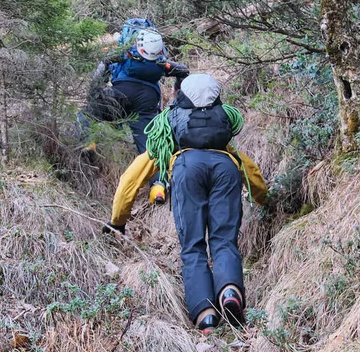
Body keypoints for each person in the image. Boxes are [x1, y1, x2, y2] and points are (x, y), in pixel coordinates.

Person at [103, 74, 269, 331]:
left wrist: (118, 220)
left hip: (186, 169)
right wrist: (264, 198)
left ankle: (205, 314)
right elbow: (248, 168)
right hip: (225, 169)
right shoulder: (221, 122)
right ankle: (229, 291)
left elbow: (134, 175)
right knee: (224, 241)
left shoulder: (170, 121)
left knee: (193, 247)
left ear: (181, 94)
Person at [83, 25, 190, 152]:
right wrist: (176, 97)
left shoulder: (126, 53)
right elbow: (183, 71)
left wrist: (94, 94)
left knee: (87, 115)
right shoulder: (162, 63)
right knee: (149, 150)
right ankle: (154, 169)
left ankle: (87, 148)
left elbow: (105, 63)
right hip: (147, 103)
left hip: (119, 95)